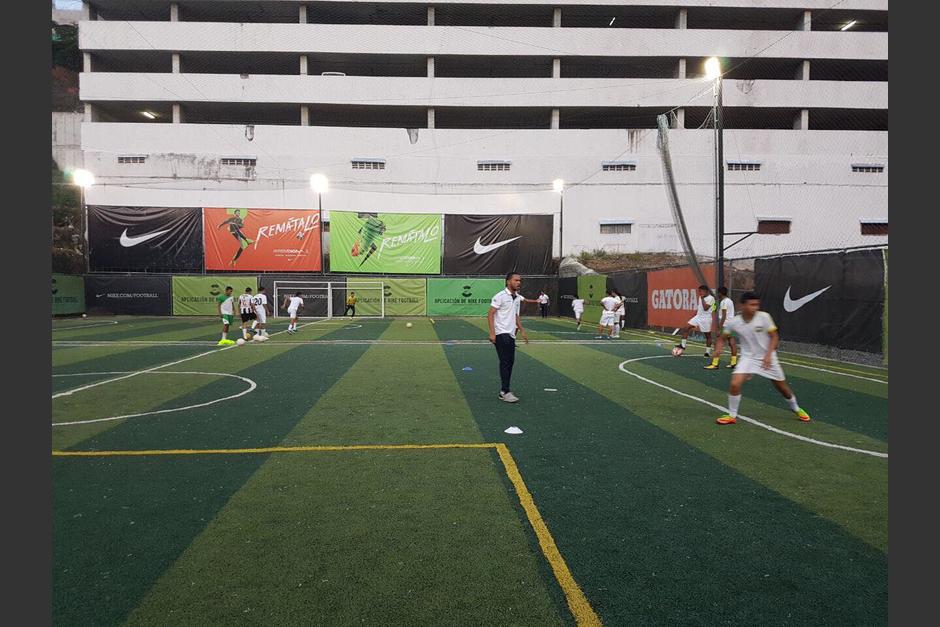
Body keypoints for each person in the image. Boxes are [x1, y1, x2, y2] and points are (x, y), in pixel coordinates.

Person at [709, 292, 811, 425]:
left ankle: (796, 408)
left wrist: (768, 355)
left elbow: (774, 337)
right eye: (752, 305)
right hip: (748, 358)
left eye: (757, 304)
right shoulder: (734, 322)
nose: (755, 307)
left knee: (782, 388)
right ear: (742, 305)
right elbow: (722, 338)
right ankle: (732, 415)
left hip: (768, 357)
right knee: (735, 384)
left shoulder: (764, 317)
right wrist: (718, 349)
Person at [488, 272, 530, 403]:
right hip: (501, 333)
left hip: (511, 334)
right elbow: (490, 314)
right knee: (505, 361)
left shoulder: (517, 298)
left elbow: (515, 316)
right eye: (516, 280)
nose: (519, 282)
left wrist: (522, 331)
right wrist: (492, 333)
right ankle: (505, 391)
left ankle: (505, 390)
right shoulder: (500, 296)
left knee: (510, 362)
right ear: (508, 281)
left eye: (520, 280)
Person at [675, 285, 716, 358]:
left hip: (706, 319)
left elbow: (706, 308)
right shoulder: (701, 297)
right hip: (698, 317)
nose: (699, 293)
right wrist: (694, 315)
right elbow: (700, 307)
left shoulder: (711, 298)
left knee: (708, 336)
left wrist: (702, 298)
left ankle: (707, 352)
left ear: (706, 291)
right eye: (699, 291)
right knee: (686, 327)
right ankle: (683, 345)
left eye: (701, 291)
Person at [705, 286, 738, 369]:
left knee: (718, 343)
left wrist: (719, 329)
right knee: (732, 343)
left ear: (720, 293)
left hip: (726, 325)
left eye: (718, 293)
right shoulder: (730, 301)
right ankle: (734, 363)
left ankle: (715, 364)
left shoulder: (724, 302)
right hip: (732, 324)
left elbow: (724, 316)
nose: (717, 294)